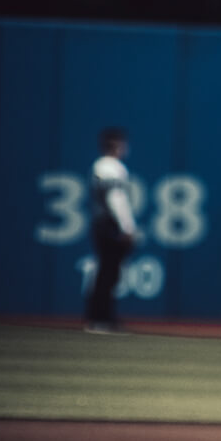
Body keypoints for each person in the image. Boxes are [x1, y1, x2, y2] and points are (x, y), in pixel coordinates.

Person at [85, 127, 138, 333]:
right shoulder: (112, 167)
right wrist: (127, 226)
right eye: (122, 144)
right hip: (109, 225)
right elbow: (116, 199)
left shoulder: (98, 166)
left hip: (102, 223)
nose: (125, 148)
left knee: (106, 272)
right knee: (109, 272)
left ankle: (100, 317)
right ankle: (101, 318)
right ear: (115, 145)